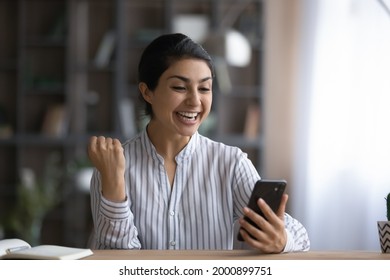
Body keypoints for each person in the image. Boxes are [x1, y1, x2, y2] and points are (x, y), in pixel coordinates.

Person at [87, 33, 310, 252]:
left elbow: (299, 235)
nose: (195, 101)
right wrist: (114, 184)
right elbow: (115, 262)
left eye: (204, 88)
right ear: (147, 92)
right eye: (179, 87)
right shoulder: (111, 167)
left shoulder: (231, 163)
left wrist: (281, 240)